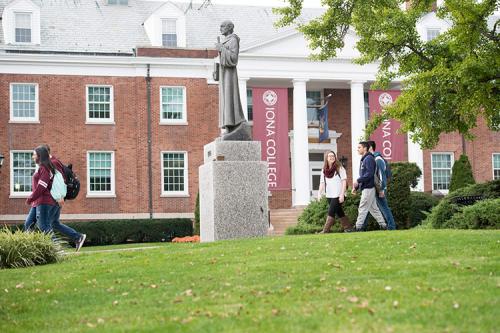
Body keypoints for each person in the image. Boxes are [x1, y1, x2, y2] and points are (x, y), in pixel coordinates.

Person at [25, 145, 86, 251]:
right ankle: (78, 237)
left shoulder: (52, 164)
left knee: (44, 225)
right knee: (37, 223)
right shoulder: (46, 165)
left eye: (34, 154)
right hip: (41, 200)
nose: (32, 157)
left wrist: (60, 196)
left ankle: (58, 248)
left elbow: (57, 182)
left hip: (49, 199)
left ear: (42, 154)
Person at [215, 20, 251, 141]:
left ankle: (235, 122)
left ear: (229, 28)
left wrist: (222, 49)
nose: (220, 28)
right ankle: (229, 127)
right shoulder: (226, 40)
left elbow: (234, 59)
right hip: (224, 74)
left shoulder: (233, 40)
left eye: (222, 26)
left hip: (230, 74)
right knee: (225, 99)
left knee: (230, 97)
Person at [360, 141, 396, 230]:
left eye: (366, 147)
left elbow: (381, 175)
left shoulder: (377, 159)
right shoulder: (371, 158)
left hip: (379, 188)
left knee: (384, 208)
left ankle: (391, 227)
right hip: (372, 187)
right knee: (367, 208)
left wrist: (382, 189)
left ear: (370, 148)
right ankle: (361, 227)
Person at [351, 141, 387, 231]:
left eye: (359, 147)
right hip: (367, 187)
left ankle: (358, 227)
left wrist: (358, 180)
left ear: (365, 148)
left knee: (362, 207)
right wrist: (356, 186)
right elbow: (365, 174)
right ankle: (383, 226)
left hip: (368, 188)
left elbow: (369, 174)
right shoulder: (365, 159)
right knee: (374, 209)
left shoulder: (368, 159)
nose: (357, 149)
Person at [317, 150, 354, 233]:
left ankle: (325, 230)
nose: (332, 157)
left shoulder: (339, 168)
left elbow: (344, 182)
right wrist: (319, 193)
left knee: (331, 211)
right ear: (326, 158)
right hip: (329, 195)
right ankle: (348, 228)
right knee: (339, 211)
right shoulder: (323, 170)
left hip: (338, 194)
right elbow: (322, 183)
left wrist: (342, 195)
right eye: (330, 156)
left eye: (333, 156)